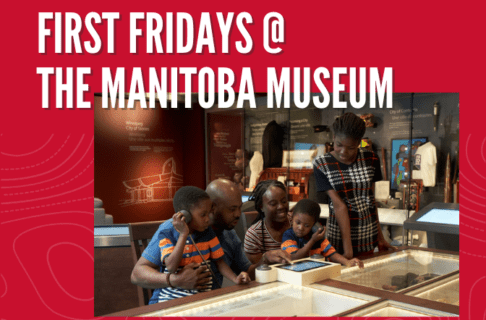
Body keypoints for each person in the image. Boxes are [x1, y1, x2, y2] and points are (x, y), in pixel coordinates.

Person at [131, 179, 291, 304]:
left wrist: (265, 259)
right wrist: (175, 280)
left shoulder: (228, 234)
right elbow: (137, 275)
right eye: (232, 209)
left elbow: (247, 272)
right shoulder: (173, 229)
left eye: (239, 208)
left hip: (206, 303)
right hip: (169, 304)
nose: (238, 214)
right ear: (212, 208)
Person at [312, 113, 394, 259]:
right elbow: (339, 206)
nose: (344, 152)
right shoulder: (321, 164)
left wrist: (381, 239)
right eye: (339, 145)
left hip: (368, 235)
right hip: (340, 239)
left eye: (351, 147)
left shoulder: (371, 159)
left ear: (359, 142)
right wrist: (348, 250)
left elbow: (371, 201)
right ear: (333, 138)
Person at [150, 186, 250, 303]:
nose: (208, 219)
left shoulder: (208, 233)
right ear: (185, 216)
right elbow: (171, 267)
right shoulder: (167, 233)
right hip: (172, 299)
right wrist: (183, 234)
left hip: (202, 299)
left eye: (209, 214)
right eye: (203, 215)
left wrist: (235, 278)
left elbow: (220, 263)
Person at [281, 199, 364, 268]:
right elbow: (294, 257)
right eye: (298, 222)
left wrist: (347, 262)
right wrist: (312, 241)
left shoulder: (318, 237)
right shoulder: (288, 235)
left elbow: (332, 254)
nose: (301, 228)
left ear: (314, 225)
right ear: (292, 218)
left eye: (306, 225)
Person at [244, 180, 291, 264]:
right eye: (273, 204)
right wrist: (266, 258)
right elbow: (253, 272)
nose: (281, 206)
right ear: (261, 207)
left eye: (284, 201)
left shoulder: (297, 222)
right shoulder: (254, 235)